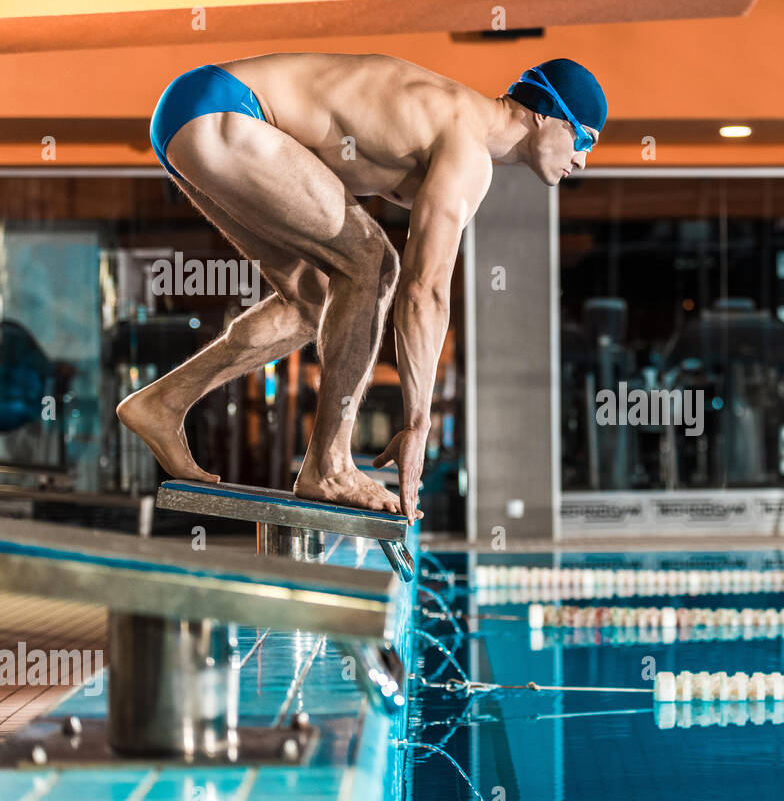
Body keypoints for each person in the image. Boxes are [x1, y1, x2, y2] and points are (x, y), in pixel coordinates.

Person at [118, 54, 606, 523]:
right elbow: (424, 293)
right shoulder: (469, 147)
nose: (583, 161)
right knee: (372, 263)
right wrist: (419, 423)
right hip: (228, 111)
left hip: (193, 114)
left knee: (311, 303)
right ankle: (329, 467)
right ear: (547, 116)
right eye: (584, 139)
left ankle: (164, 403)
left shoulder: (455, 120)